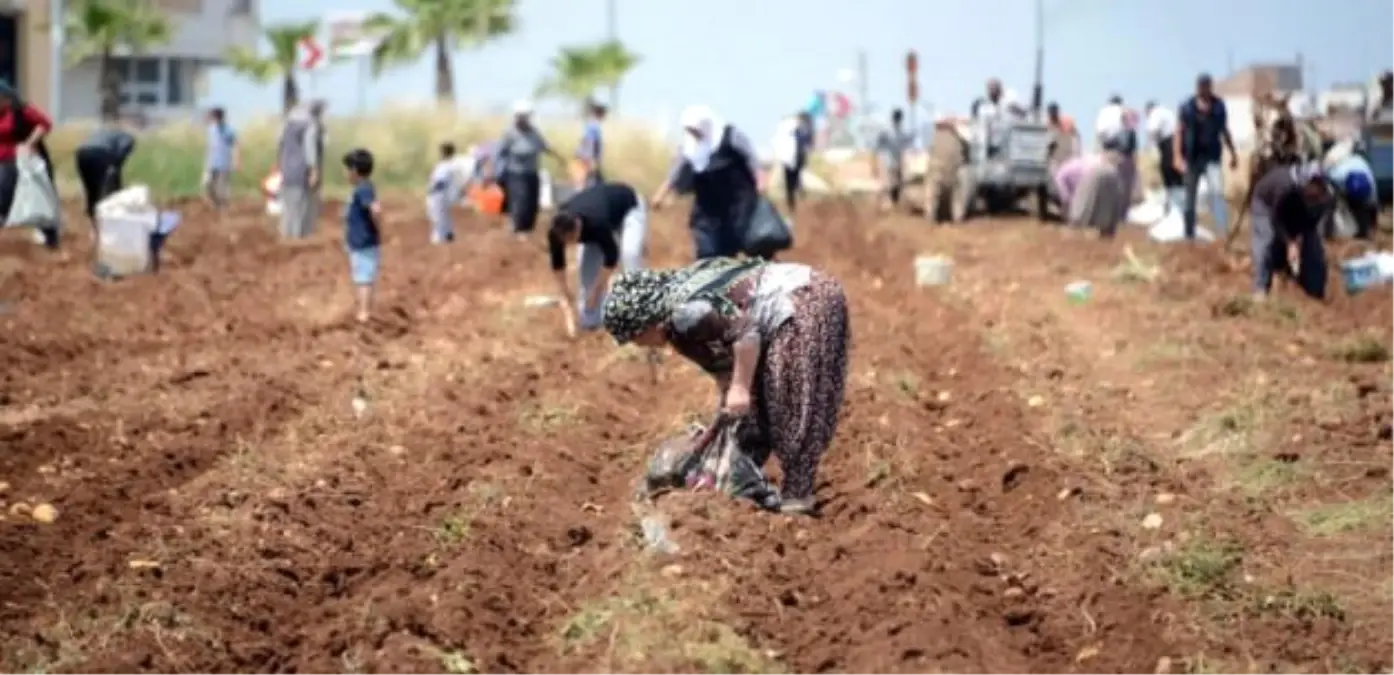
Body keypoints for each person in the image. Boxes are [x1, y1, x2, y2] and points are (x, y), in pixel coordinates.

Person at [601, 257, 850, 514]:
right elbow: (722, 362)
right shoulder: (676, 326)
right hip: (787, 308)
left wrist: (740, 388)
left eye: (634, 337)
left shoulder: (689, 312)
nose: (638, 345)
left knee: (789, 400)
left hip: (803, 301)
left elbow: (746, 334)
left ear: (646, 320)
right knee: (753, 414)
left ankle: (797, 500)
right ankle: (738, 484)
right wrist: (728, 399)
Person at [652, 105, 765, 260]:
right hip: (707, 205)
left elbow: (751, 157)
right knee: (706, 249)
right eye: (690, 130)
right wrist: (661, 194)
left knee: (730, 246)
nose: (693, 134)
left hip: (736, 201)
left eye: (696, 129)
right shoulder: (688, 146)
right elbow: (676, 172)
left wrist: (760, 181)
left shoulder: (729, 135)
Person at [547, 181, 648, 336]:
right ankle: (591, 322)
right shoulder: (556, 230)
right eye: (565, 241)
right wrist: (565, 295)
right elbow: (558, 263)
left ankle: (640, 316)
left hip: (628, 207)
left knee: (629, 254)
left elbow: (611, 257)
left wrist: (596, 291)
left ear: (578, 226)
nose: (569, 244)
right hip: (602, 213)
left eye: (572, 239)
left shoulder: (596, 221)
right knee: (586, 271)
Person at [1249, 161, 1330, 301]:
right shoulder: (1285, 187)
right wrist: (1290, 242)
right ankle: (1260, 289)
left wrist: (1299, 240)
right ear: (1307, 183)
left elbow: (1311, 224)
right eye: (1314, 188)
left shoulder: (1324, 196)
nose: (1316, 192)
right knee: (1265, 243)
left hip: (1293, 208)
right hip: (1266, 205)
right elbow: (1276, 218)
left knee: (1314, 248)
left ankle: (1313, 292)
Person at [1174, 73, 1239, 240]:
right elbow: (1179, 132)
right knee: (1190, 200)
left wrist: (1233, 153)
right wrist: (1177, 157)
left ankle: (1223, 234)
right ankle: (1189, 235)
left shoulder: (1218, 106)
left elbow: (1224, 130)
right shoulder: (1187, 107)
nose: (1203, 89)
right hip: (1192, 158)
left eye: (1206, 85)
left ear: (1210, 86)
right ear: (1197, 87)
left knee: (1217, 193)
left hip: (1212, 158)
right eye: (1201, 86)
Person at [0, 79, 57, 248]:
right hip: (4, 161)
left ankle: (50, 236)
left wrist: (30, 143)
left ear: (7, 98)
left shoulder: (21, 110)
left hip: (23, 161)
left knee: (40, 196)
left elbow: (45, 123)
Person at [493, 100, 562, 237]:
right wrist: (498, 173)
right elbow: (500, 153)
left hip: (532, 172)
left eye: (525, 117)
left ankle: (528, 229)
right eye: (520, 117)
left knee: (532, 201)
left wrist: (558, 156)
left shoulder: (534, 132)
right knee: (520, 201)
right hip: (516, 173)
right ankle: (517, 228)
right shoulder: (509, 133)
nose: (523, 120)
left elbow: (544, 146)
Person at [342, 149, 384, 323]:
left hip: (364, 241)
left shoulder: (364, 188)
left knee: (364, 278)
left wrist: (378, 227)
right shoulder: (361, 188)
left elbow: (375, 209)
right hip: (359, 241)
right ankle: (363, 309)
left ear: (354, 170)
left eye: (346, 169)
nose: (345, 173)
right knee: (361, 275)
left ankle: (364, 312)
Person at [276, 102, 326, 239]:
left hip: (287, 172)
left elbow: (279, 148)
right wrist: (314, 170)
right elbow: (310, 150)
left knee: (288, 209)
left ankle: (287, 237)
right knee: (302, 208)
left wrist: (280, 167)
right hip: (302, 172)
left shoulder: (286, 126)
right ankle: (299, 240)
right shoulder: (309, 127)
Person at [75, 125, 136, 225]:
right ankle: (108, 221)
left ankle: (93, 222)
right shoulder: (129, 139)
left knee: (91, 190)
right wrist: (118, 187)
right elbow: (118, 161)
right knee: (104, 190)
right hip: (100, 153)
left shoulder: (105, 133)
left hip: (81, 153)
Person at [1093, 95, 1138, 225]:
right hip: (1124, 154)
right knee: (1124, 187)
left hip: (1107, 152)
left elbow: (1099, 133)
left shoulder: (1103, 112)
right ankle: (1121, 217)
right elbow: (1132, 136)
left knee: (1107, 184)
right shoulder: (1126, 111)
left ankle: (1105, 215)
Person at [1324, 152, 1378, 240]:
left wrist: (1374, 224)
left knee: (1362, 208)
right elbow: (1327, 177)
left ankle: (1362, 231)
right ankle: (1329, 231)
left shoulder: (1370, 182)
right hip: (1342, 178)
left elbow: (1373, 205)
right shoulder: (1337, 176)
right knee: (1331, 206)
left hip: (1358, 170)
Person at [1144, 100, 1182, 214]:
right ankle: (1179, 205)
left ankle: (1172, 207)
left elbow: (1152, 131)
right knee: (1178, 175)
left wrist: (1152, 148)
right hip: (1179, 142)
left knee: (1168, 173)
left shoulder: (1155, 113)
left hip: (1168, 143)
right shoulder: (1167, 111)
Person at [773, 112, 815, 213]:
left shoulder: (797, 131)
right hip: (791, 159)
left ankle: (794, 204)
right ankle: (794, 204)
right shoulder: (797, 131)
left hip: (792, 159)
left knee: (792, 182)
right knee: (792, 182)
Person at [874, 108, 914, 212]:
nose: (897, 120)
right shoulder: (887, 131)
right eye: (897, 118)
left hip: (898, 161)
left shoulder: (900, 132)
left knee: (899, 184)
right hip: (888, 160)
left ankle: (894, 203)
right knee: (889, 184)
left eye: (898, 118)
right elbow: (879, 144)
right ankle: (885, 203)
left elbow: (907, 141)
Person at [202, 106, 239, 217]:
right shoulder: (210, 130)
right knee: (208, 185)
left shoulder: (228, 130)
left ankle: (223, 208)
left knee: (222, 188)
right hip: (211, 163)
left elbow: (236, 145)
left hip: (224, 163)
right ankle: (216, 204)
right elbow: (209, 146)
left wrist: (236, 160)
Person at [427, 142, 462, 244]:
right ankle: (448, 235)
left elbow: (439, 182)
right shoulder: (451, 164)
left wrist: (431, 189)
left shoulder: (446, 165)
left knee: (439, 218)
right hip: (444, 194)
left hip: (439, 194)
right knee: (443, 217)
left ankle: (442, 239)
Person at [575, 99, 606, 188]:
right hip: (588, 160)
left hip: (588, 159)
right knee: (591, 183)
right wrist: (591, 160)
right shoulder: (593, 126)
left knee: (593, 182)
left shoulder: (591, 125)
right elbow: (589, 142)